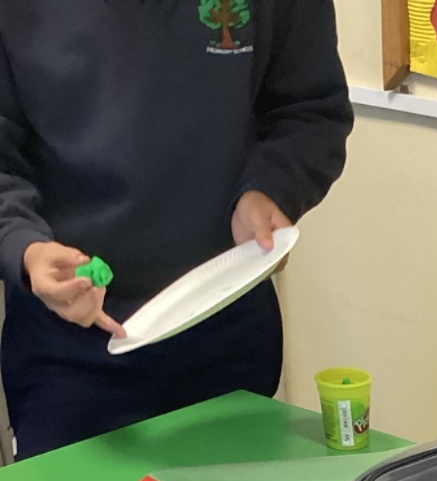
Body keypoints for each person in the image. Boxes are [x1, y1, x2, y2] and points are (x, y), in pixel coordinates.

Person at [0, 1, 352, 458]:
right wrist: (24, 246)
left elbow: (311, 110)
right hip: (68, 348)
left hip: (224, 324)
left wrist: (271, 190)